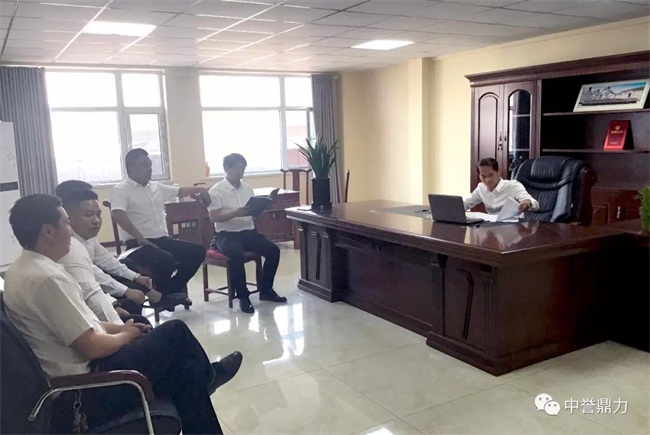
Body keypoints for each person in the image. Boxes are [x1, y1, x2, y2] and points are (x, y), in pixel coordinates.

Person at [3, 194, 243, 434]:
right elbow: (91, 347)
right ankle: (210, 375)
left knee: (187, 374)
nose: (71, 231)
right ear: (48, 231)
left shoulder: (22, 270)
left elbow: (86, 324)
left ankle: (204, 377)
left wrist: (122, 328)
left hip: (83, 378)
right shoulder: (48, 279)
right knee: (175, 331)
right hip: (87, 388)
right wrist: (126, 335)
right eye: (66, 223)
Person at [111, 148, 210, 307]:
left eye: (150, 165)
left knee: (197, 251)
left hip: (162, 241)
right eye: (144, 165)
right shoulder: (121, 189)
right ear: (131, 168)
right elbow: (117, 213)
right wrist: (140, 237)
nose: (150, 168)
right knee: (166, 259)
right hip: (138, 245)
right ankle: (166, 296)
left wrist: (199, 189)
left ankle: (167, 293)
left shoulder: (156, 187)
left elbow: (179, 191)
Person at [56, 180, 170, 315]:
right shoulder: (70, 245)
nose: (96, 220)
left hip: (92, 283)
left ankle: (156, 298)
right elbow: (92, 279)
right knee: (131, 298)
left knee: (129, 269)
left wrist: (135, 277)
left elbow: (104, 258)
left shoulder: (86, 235)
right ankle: (153, 303)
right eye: (88, 214)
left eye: (98, 214)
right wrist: (122, 295)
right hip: (83, 294)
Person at [207, 153, 286, 314]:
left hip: (249, 233)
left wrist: (257, 211)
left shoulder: (248, 188)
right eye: (238, 168)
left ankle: (266, 290)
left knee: (273, 250)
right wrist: (236, 213)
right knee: (235, 255)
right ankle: (243, 296)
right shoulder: (216, 191)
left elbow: (251, 212)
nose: (241, 172)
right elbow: (213, 217)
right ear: (227, 168)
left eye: (243, 168)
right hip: (226, 235)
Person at [463, 157, 539, 214]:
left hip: (514, 226)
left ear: (498, 172)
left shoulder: (513, 185)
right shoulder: (481, 188)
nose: (487, 180)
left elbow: (535, 204)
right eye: (483, 176)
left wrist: (527, 203)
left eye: (490, 175)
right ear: (479, 176)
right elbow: (465, 204)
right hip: (491, 226)